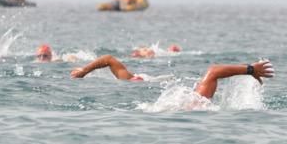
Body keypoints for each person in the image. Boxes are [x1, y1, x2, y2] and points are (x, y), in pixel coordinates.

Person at [70, 55, 274, 99]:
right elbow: (214, 71)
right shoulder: (198, 101)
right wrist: (250, 69)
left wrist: (82, 73)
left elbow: (214, 71)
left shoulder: (197, 101)